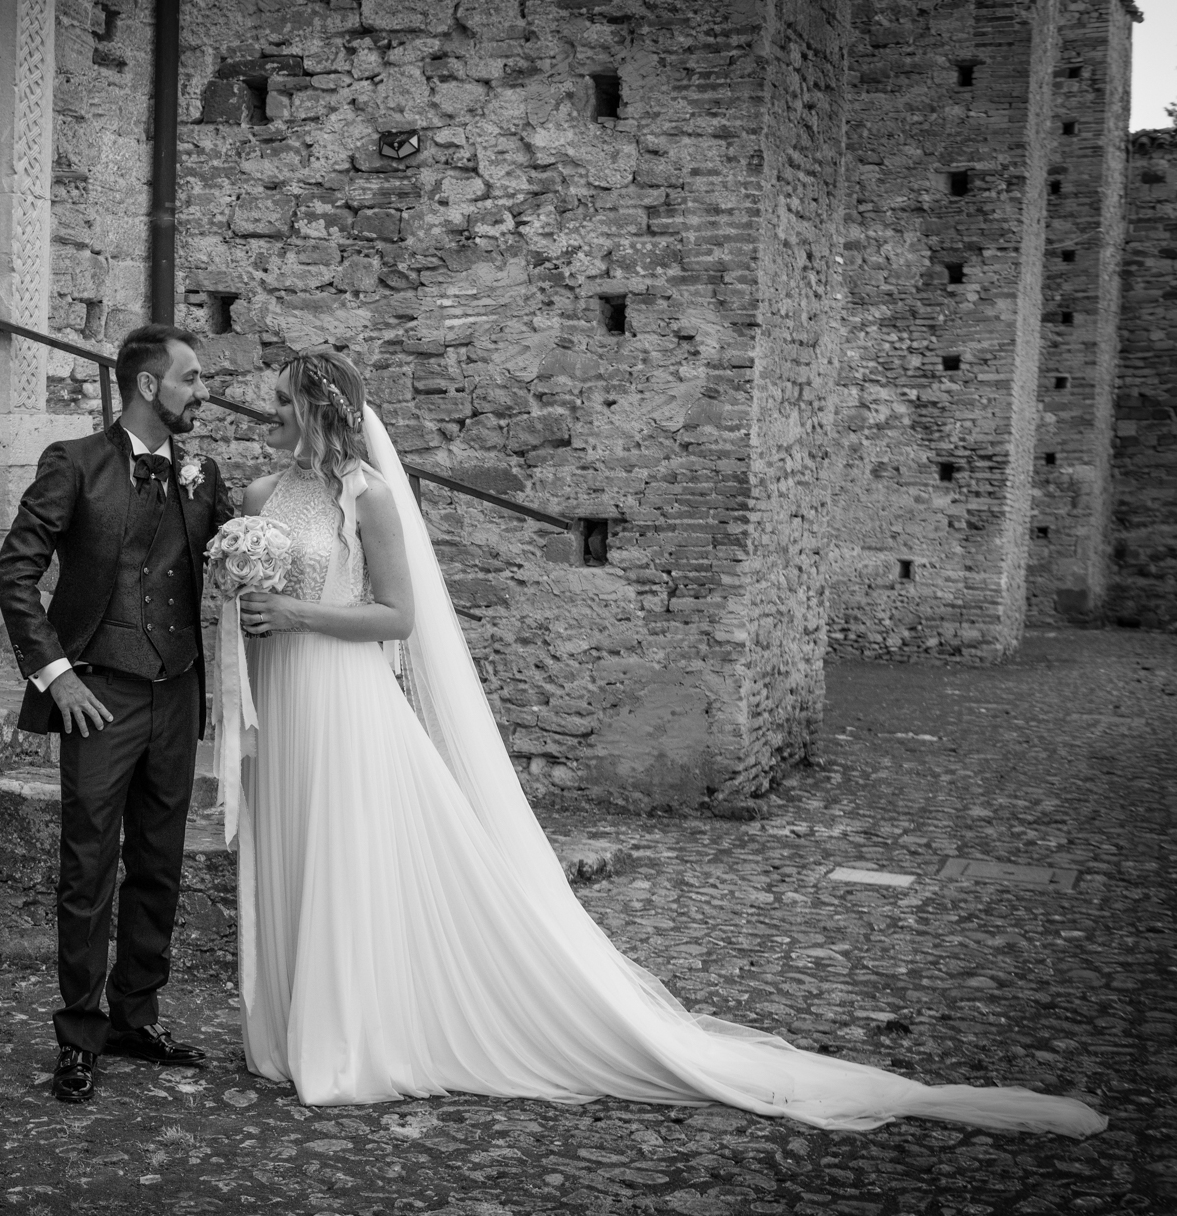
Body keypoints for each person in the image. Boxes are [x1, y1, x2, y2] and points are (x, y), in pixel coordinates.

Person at [224, 349, 1105, 1135]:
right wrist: (251, 617)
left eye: (284, 401)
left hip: (347, 701)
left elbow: (397, 617)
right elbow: (245, 605)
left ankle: (349, 1034)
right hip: (286, 696)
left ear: (322, 412)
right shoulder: (262, 498)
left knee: (342, 853)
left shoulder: (370, 498)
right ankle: (291, 1026)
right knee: (294, 842)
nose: (271, 413)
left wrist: (296, 612)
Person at [0, 325, 235, 1104]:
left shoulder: (202, 474)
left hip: (178, 690)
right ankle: (79, 1033)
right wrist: (56, 675)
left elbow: (234, 558)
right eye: (191, 378)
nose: (204, 392)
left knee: (159, 864)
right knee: (88, 865)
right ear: (147, 385)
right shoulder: (74, 463)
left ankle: (136, 1017)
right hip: (98, 694)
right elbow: (15, 572)